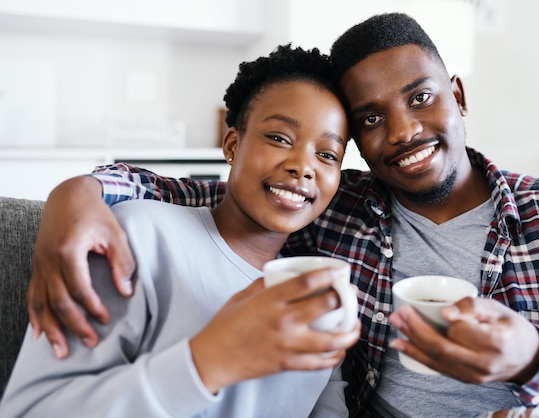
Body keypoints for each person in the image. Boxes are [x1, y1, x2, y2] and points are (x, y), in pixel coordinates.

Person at [23, 12, 539, 418]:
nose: (404, 130)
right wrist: (76, 194)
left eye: (421, 97)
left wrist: (536, 357)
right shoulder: (339, 211)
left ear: (459, 96)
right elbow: (209, 194)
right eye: (370, 118)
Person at [0, 44, 361, 418]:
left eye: (327, 155)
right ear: (233, 145)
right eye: (279, 138)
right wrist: (208, 360)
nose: (303, 166)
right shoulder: (136, 238)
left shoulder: (319, 296)